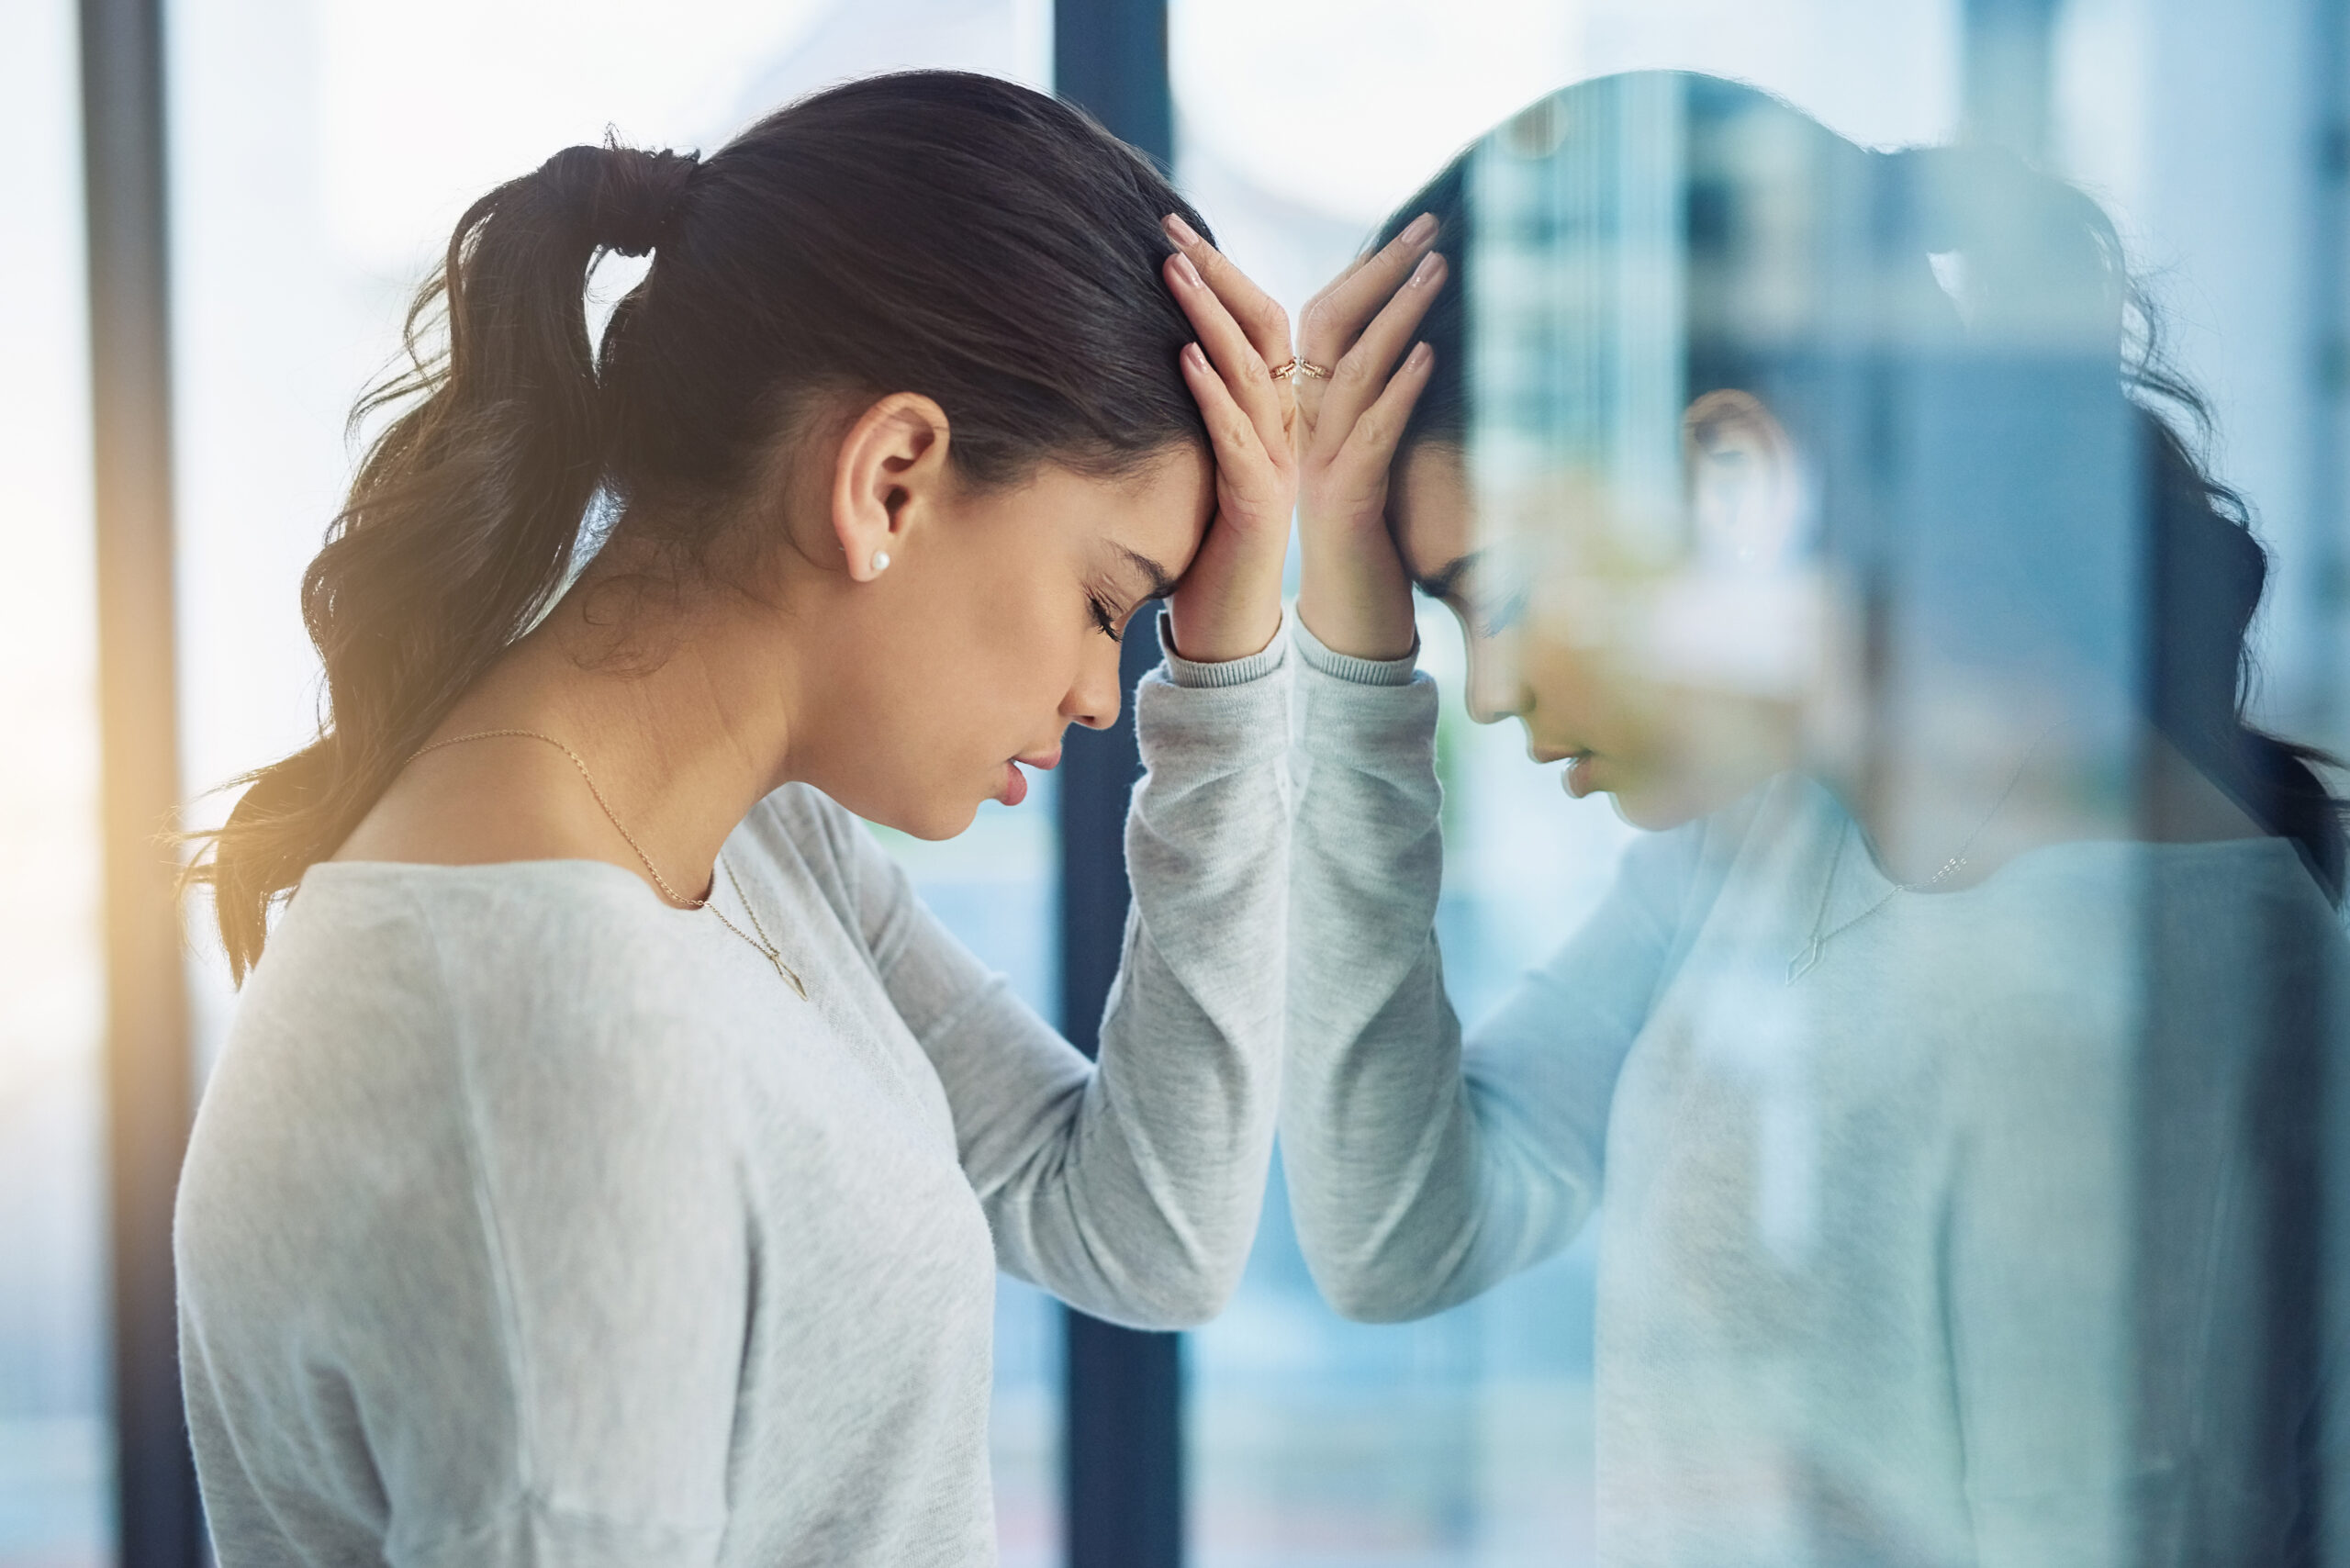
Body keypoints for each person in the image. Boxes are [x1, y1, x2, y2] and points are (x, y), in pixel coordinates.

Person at [175, 71, 1299, 1567]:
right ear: (889, 479)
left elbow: (1143, 1227)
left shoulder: (749, 849)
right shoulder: (549, 1036)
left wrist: (1230, 676)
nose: (1108, 693)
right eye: (1107, 605)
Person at [1281, 71, 2347, 1565]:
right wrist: (1348, 657)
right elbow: (1400, 1232)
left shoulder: (2161, 985)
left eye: (1502, 599)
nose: (1499, 691)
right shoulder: (1781, 832)